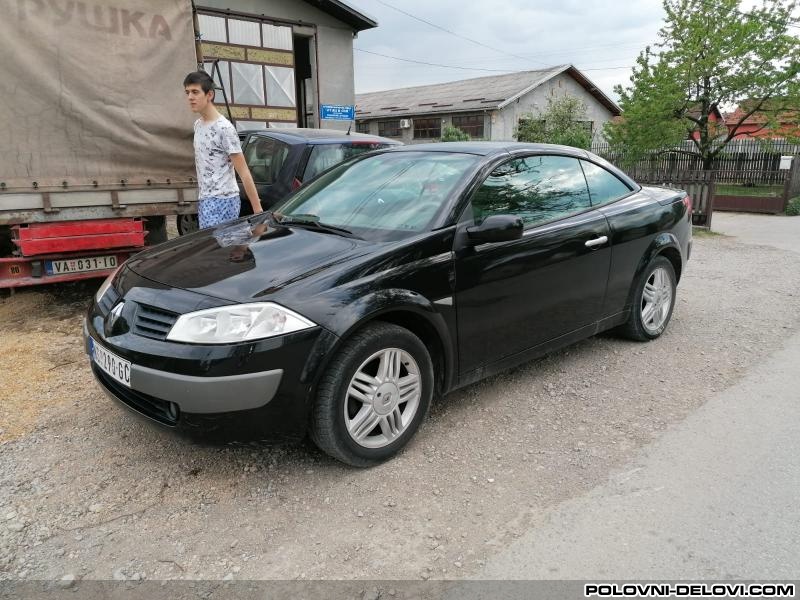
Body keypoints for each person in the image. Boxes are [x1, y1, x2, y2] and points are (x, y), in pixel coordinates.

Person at [183, 71, 262, 228]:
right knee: (216, 249)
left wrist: (257, 209)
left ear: (209, 94)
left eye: (195, 92)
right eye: (187, 92)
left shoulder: (224, 128)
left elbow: (244, 171)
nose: (190, 97)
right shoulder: (198, 125)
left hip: (224, 198)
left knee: (217, 249)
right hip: (205, 198)